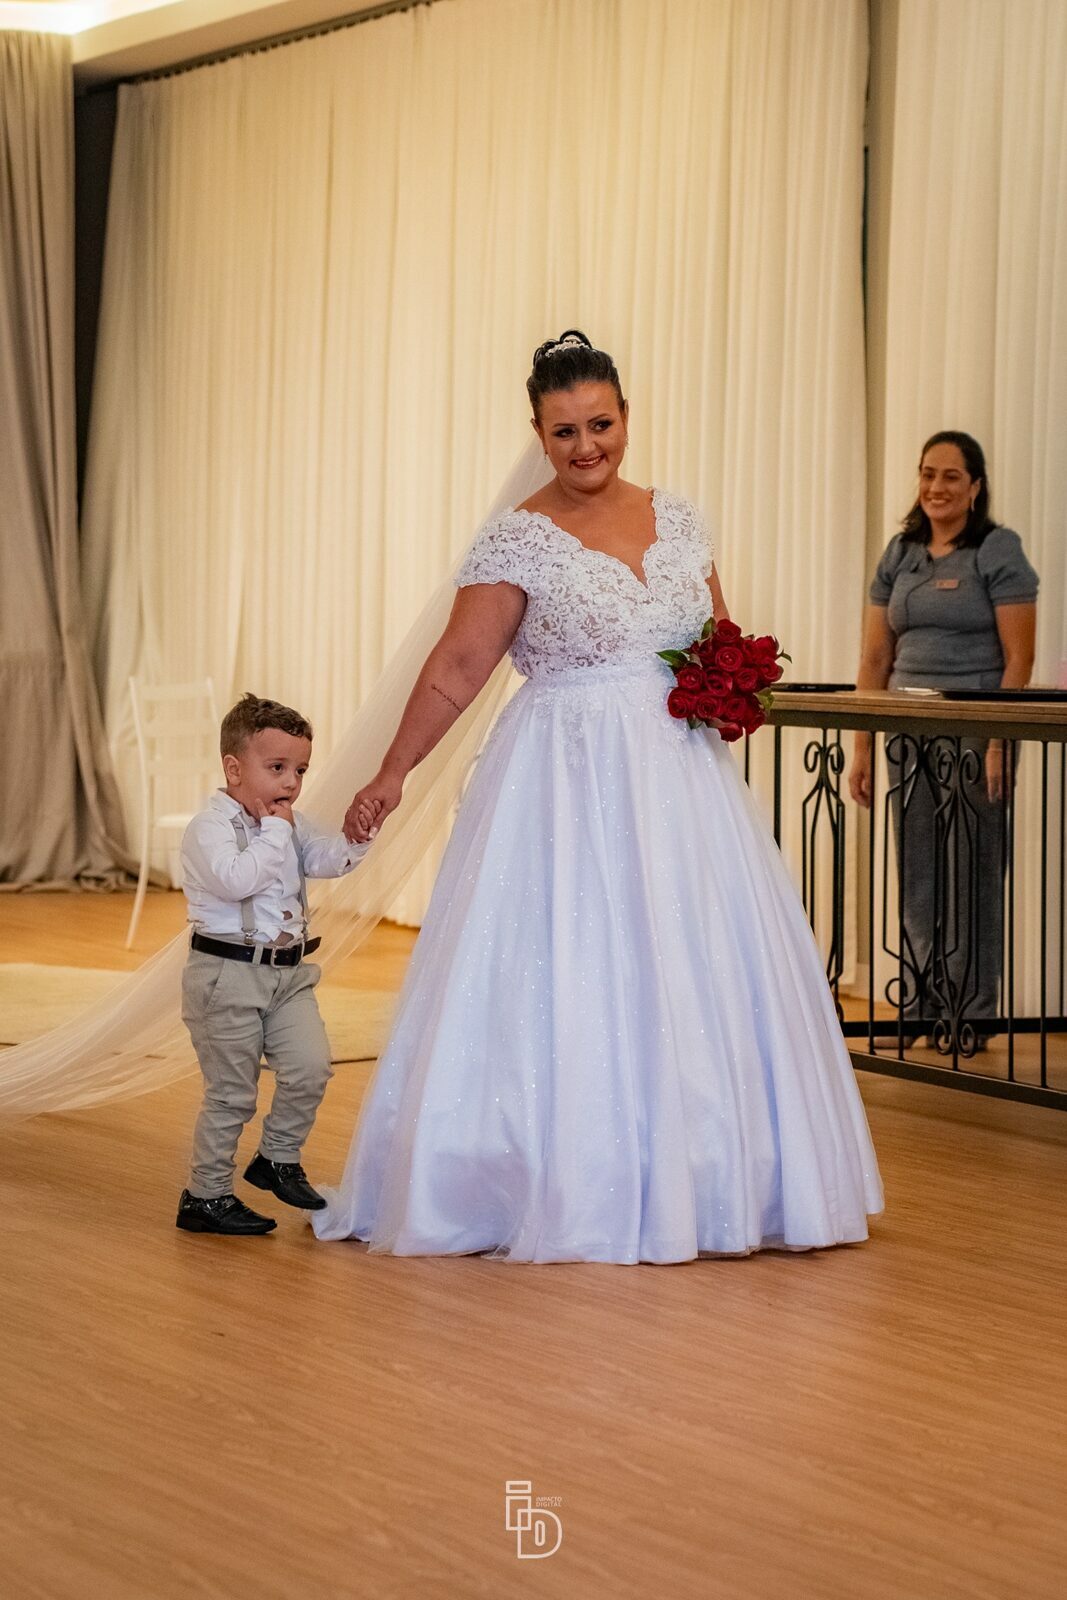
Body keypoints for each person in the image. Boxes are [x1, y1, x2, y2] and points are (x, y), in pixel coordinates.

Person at [312, 330, 883, 1263]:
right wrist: (392, 772)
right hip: (564, 779)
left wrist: (730, 684)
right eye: (564, 431)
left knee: (689, 958)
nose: (586, 446)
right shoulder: (517, 537)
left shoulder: (679, 519)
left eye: (600, 425)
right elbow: (458, 667)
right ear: (538, 434)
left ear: (626, 416)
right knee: (573, 959)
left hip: (680, 779)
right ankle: (550, 1176)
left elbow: (715, 633)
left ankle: (706, 1178)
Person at [849, 431, 1038, 1049]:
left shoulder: (996, 549)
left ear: (975, 486)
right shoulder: (901, 552)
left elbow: (1019, 657)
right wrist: (861, 746)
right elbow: (875, 657)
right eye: (928, 473)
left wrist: (998, 740)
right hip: (907, 735)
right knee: (919, 871)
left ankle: (969, 1013)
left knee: (972, 872)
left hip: (976, 737)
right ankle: (920, 1005)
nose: (936, 487)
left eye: (951, 476)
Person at [176, 693, 374, 1236]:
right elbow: (237, 879)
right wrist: (278, 832)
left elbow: (325, 860)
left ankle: (276, 1157)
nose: (291, 783)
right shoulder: (208, 829)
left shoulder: (290, 824)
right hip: (227, 977)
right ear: (234, 768)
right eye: (278, 768)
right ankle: (205, 1197)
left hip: (289, 974)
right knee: (232, 1093)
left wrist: (357, 839)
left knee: (311, 1065)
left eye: (301, 770)